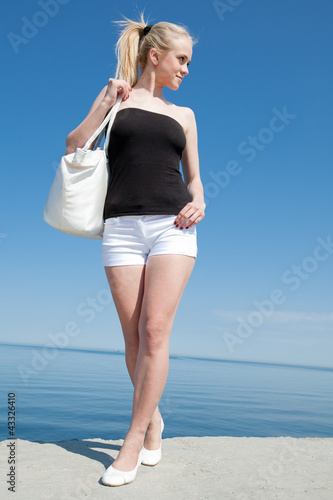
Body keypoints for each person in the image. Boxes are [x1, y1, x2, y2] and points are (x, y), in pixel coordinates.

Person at [65, 14, 205, 487]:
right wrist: (104, 102)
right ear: (156, 55)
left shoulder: (184, 116)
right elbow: (73, 146)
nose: (186, 68)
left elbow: (195, 178)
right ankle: (156, 419)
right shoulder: (119, 102)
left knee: (155, 328)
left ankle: (134, 436)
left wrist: (200, 200)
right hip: (121, 227)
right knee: (133, 339)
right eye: (181, 59)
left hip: (172, 226)